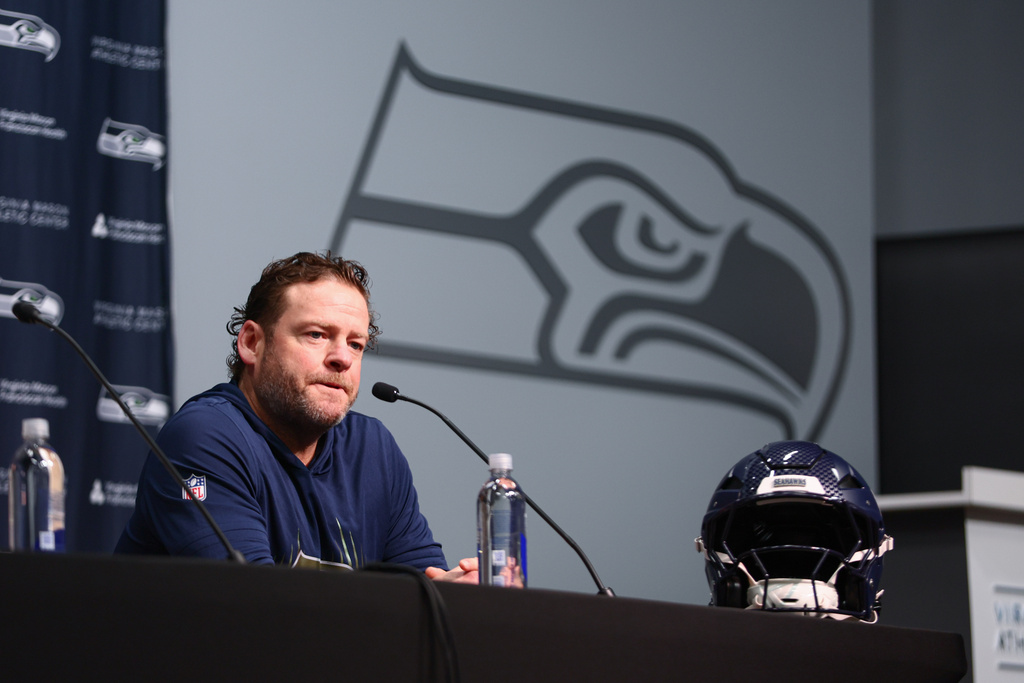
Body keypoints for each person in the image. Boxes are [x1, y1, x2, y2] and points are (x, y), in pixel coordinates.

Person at [116, 251, 477, 583]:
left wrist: (453, 592)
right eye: (317, 335)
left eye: (356, 344)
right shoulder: (205, 437)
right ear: (252, 343)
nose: (343, 359)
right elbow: (255, 606)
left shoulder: (373, 449)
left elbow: (421, 583)